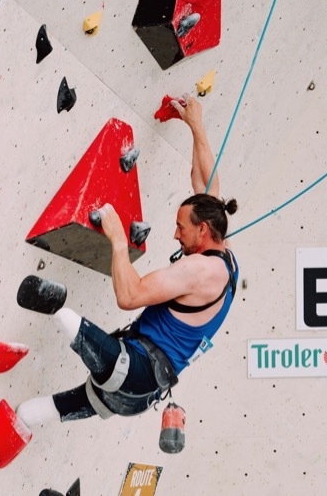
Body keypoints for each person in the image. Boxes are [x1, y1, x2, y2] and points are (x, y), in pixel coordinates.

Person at [15, 93, 239, 434]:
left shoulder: (199, 271)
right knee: (56, 407)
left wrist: (118, 241)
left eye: (181, 227)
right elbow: (208, 187)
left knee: (83, 335)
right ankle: (19, 423)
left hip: (133, 370)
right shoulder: (224, 255)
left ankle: (55, 307)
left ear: (202, 229)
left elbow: (130, 296)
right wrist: (196, 126)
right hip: (140, 390)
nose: (176, 235)